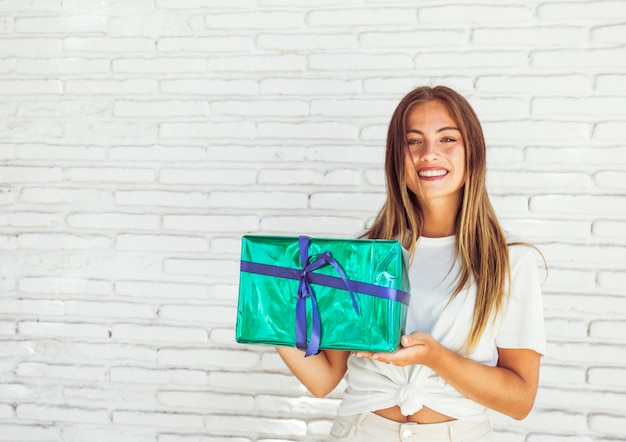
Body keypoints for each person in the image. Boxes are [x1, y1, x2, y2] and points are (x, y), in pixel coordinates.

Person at [276, 85, 546, 441]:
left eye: (447, 139)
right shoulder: (361, 256)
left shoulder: (510, 261)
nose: (429, 154)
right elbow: (325, 379)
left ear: (473, 153)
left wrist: (434, 357)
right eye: (413, 141)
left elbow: (519, 400)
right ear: (396, 157)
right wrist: (272, 313)